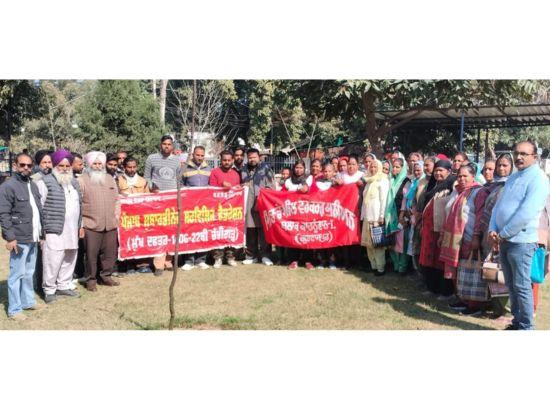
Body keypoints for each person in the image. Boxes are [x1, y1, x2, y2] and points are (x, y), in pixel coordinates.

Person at [488, 141, 550, 330]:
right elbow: (498, 206)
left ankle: (526, 327)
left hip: (521, 241)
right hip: (504, 239)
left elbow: (527, 212)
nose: (518, 157)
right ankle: (517, 322)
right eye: (516, 153)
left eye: (524, 153)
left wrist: (503, 234)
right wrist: (492, 229)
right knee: (511, 284)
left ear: (535, 157)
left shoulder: (539, 179)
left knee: (522, 285)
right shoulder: (514, 177)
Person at [0, 153, 44, 320]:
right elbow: (3, 214)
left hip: (33, 236)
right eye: (22, 165)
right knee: (16, 274)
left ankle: (28, 301)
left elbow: (38, 211)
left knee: (29, 272)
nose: (26, 168)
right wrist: (10, 238)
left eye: (29, 165)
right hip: (19, 237)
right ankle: (14, 309)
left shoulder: (33, 185)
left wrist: (41, 233)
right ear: (15, 166)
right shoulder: (8, 186)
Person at [35, 150, 82, 304]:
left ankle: (64, 285)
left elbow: (79, 206)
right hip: (53, 228)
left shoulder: (74, 183)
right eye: (61, 165)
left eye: (67, 166)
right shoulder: (45, 182)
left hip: (72, 229)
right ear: (55, 166)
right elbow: (39, 207)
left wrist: (80, 225)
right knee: (52, 259)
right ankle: (49, 290)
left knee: (70, 257)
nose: (65, 168)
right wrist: (42, 231)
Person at [472, 153, 514, 320]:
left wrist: (500, 235)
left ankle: (504, 311)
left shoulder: (512, 185)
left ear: (512, 167)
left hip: (502, 236)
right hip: (488, 234)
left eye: (505, 165)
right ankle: (493, 306)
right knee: (490, 270)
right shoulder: (494, 186)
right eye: (499, 165)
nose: (501, 168)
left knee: (502, 273)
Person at [439, 164, 483, 313]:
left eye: (465, 176)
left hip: (469, 237)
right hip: (456, 240)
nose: (462, 179)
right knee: (458, 271)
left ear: (473, 176)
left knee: (469, 271)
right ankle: (462, 299)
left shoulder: (478, 191)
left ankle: (473, 305)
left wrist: (476, 236)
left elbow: (480, 216)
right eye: (459, 176)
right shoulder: (458, 192)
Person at [79, 151, 120, 291]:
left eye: (100, 164)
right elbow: (78, 203)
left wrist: (116, 216)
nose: (97, 166)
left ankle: (106, 276)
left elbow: (117, 200)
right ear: (89, 164)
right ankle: (91, 280)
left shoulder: (110, 178)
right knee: (91, 255)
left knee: (109, 254)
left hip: (110, 224)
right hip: (91, 224)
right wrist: (81, 224)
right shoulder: (82, 180)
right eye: (95, 164)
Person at [418, 159, 456, 296]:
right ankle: (431, 288)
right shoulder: (434, 185)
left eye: (441, 170)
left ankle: (445, 291)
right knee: (429, 259)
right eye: (436, 170)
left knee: (441, 261)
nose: (437, 173)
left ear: (449, 171)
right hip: (429, 229)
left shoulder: (452, 185)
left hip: (441, 229)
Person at [144, 135, 181, 273]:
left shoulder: (177, 161)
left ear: (172, 146)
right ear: (160, 145)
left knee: (171, 231)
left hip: (172, 201)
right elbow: (146, 177)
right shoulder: (151, 158)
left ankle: (168, 261)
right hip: (157, 201)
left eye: (169, 144)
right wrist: (151, 186)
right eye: (164, 144)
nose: (167, 146)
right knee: (158, 232)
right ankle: (158, 264)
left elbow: (179, 179)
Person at [117, 156, 152, 275]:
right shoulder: (118, 180)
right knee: (127, 241)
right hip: (125, 217)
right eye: (129, 167)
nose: (132, 169)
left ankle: (143, 265)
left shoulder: (143, 181)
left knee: (141, 239)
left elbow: (148, 198)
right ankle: (129, 265)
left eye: (134, 167)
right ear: (124, 167)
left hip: (140, 217)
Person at [241, 148, 275, 266]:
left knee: (264, 230)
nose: (252, 159)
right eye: (250, 157)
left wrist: (260, 199)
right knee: (251, 230)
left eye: (254, 157)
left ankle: (266, 256)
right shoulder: (243, 169)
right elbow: (240, 185)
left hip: (262, 204)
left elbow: (271, 187)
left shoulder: (266, 169)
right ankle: (251, 256)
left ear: (259, 157)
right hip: (248, 204)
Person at [181, 145, 212, 270]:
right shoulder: (184, 168)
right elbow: (180, 184)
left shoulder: (209, 168)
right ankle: (189, 260)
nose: (199, 157)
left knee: (203, 232)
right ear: (193, 154)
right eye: (197, 155)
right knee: (190, 232)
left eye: (202, 155)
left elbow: (211, 185)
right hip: (189, 206)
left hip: (204, 207)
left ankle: (201, 260)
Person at [208, 150, 241, 268]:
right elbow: (210, 190)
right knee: (218, 233)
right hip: (217, 209)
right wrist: (221, 184)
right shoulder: (214, 172)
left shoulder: (236, 174)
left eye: (229, 160)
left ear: (232, 160)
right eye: (224, 160)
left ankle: (230, 257)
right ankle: (218, 258)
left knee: (230, 233)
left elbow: (238, 191)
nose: (227, 162)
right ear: (220, 160)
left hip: (232, 210)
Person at [361, 160, 390, 275]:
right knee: (369, 245)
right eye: (371, 167)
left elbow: (384, 200)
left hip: (376, 217)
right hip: (367, 217)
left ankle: (380, 268)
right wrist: (363, 215)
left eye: (375, 167)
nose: (373, 169)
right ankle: (373, 266)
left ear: (379, 168)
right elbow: (365, 201)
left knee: (378, 245)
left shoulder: (383, 180)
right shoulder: (368, 180)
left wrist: (381, 216)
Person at [285, 160, 315, 270]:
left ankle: (308, 260)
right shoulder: (288, 181)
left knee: (306, 235)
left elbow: (309, 189)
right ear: (293, 168)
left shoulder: (309, 178)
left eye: (301, 168)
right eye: (296, 167)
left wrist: (305, 187)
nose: (298, 170)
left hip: (306, 212)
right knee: (293, 235)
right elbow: (284, 194)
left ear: (304, 169)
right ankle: (294, 260)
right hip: (293, 213)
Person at [385, 157, 410, 275]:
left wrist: (403, 215)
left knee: (402, 243)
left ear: (403, 168)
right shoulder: (390, 180)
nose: (394, 169)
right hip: (390, 216)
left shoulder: (406, 181)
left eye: (397, 167)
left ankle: (402, 267)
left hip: (401, 216)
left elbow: (407, 200)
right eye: (393, 167)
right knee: (392, 242)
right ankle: (395, 265)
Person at [315, 163, 339, 269]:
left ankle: (332, 261)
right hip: (320, 214)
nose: (327, 173)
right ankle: (322, 261)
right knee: (321, 238)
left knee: (331, 238)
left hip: (332, 215)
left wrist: (337, 182)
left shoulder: (336, 183)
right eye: (325, 171)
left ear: (333, 172)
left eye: (330, 171)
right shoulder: (318, 183)